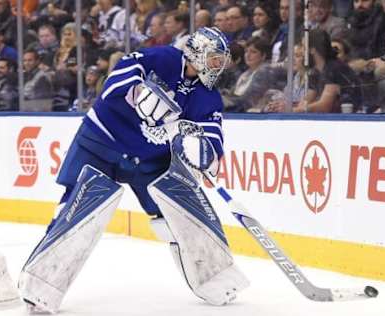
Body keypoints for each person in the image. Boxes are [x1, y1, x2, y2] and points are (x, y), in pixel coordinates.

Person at [19, 27, 249, 314]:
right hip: (102, 141)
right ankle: (42, 285)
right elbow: (115, 80)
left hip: (151, 159)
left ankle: (216, 276)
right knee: (78, 207)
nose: (219, 68)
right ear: (197, 52)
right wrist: (138, 90)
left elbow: (212, 137)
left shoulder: (207, 96)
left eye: (222, 62)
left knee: (182, 208)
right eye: (215, 59)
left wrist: (203, 151)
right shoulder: (161, 58)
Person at [293, 29, 361, 113]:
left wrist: (293, 110)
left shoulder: (334, 68)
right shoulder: (315, 72)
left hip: (351, 119)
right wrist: (292, 109)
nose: (301, 51)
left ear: (312, 49)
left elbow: (324, 106)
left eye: (304, 47)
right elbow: (306, 101)